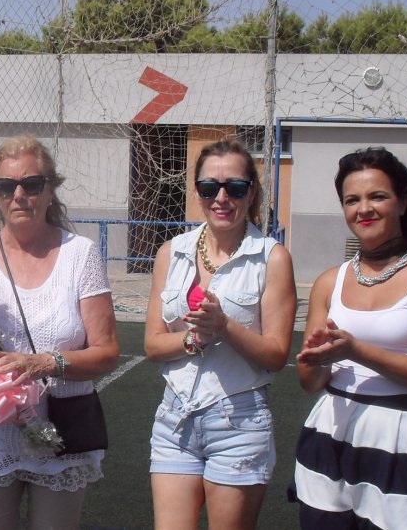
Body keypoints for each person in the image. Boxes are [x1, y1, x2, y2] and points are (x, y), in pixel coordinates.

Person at [291, 147, 407, 529]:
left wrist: (356, 350)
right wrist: (317, 360)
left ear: (403, 202)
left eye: (377, 196)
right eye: (351, 200)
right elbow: (309, 384)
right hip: (330, 432)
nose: (364, 209)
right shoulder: (329, 281)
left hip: (404, 440)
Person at [0, 134, 120, 530]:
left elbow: (107, 352)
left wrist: (44, 363)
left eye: (32, 184)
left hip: (60, 435)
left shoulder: (80, 254)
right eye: (6, 186)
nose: (19, 195)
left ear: (50, 189)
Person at [144, 137, 297, 530]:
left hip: (239, 422)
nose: (222, 198)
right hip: (174, 420)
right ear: (197, 192)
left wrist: (224, 326)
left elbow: (276, 354)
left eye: (236, 187)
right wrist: (194, 339)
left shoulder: (272, 258)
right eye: (210, 187)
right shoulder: (171, 252)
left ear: (252, 192)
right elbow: (154, 344)